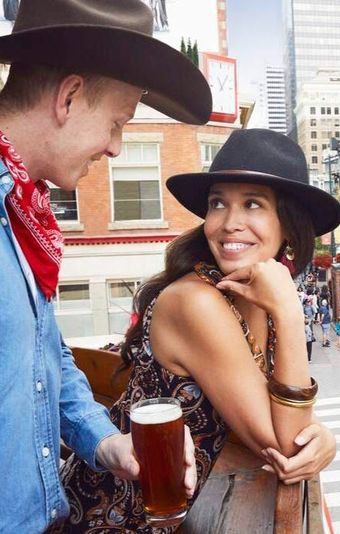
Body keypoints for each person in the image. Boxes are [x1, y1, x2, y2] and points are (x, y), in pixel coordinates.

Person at [58, 130, 340, 530]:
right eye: (218, 203)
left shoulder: (255, 293)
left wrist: (323, 439)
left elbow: (275, 422)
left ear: (289, 227)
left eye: (253, 204)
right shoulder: (195, 302)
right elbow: (283, 444)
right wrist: (290, 312)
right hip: (119, 519)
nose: (229, 223)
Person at [0, 0, 212, 530]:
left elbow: (44, 360)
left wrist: (106, 442)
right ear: (69, 97)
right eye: (118, 123)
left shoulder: (23, 210)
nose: (117, 147)